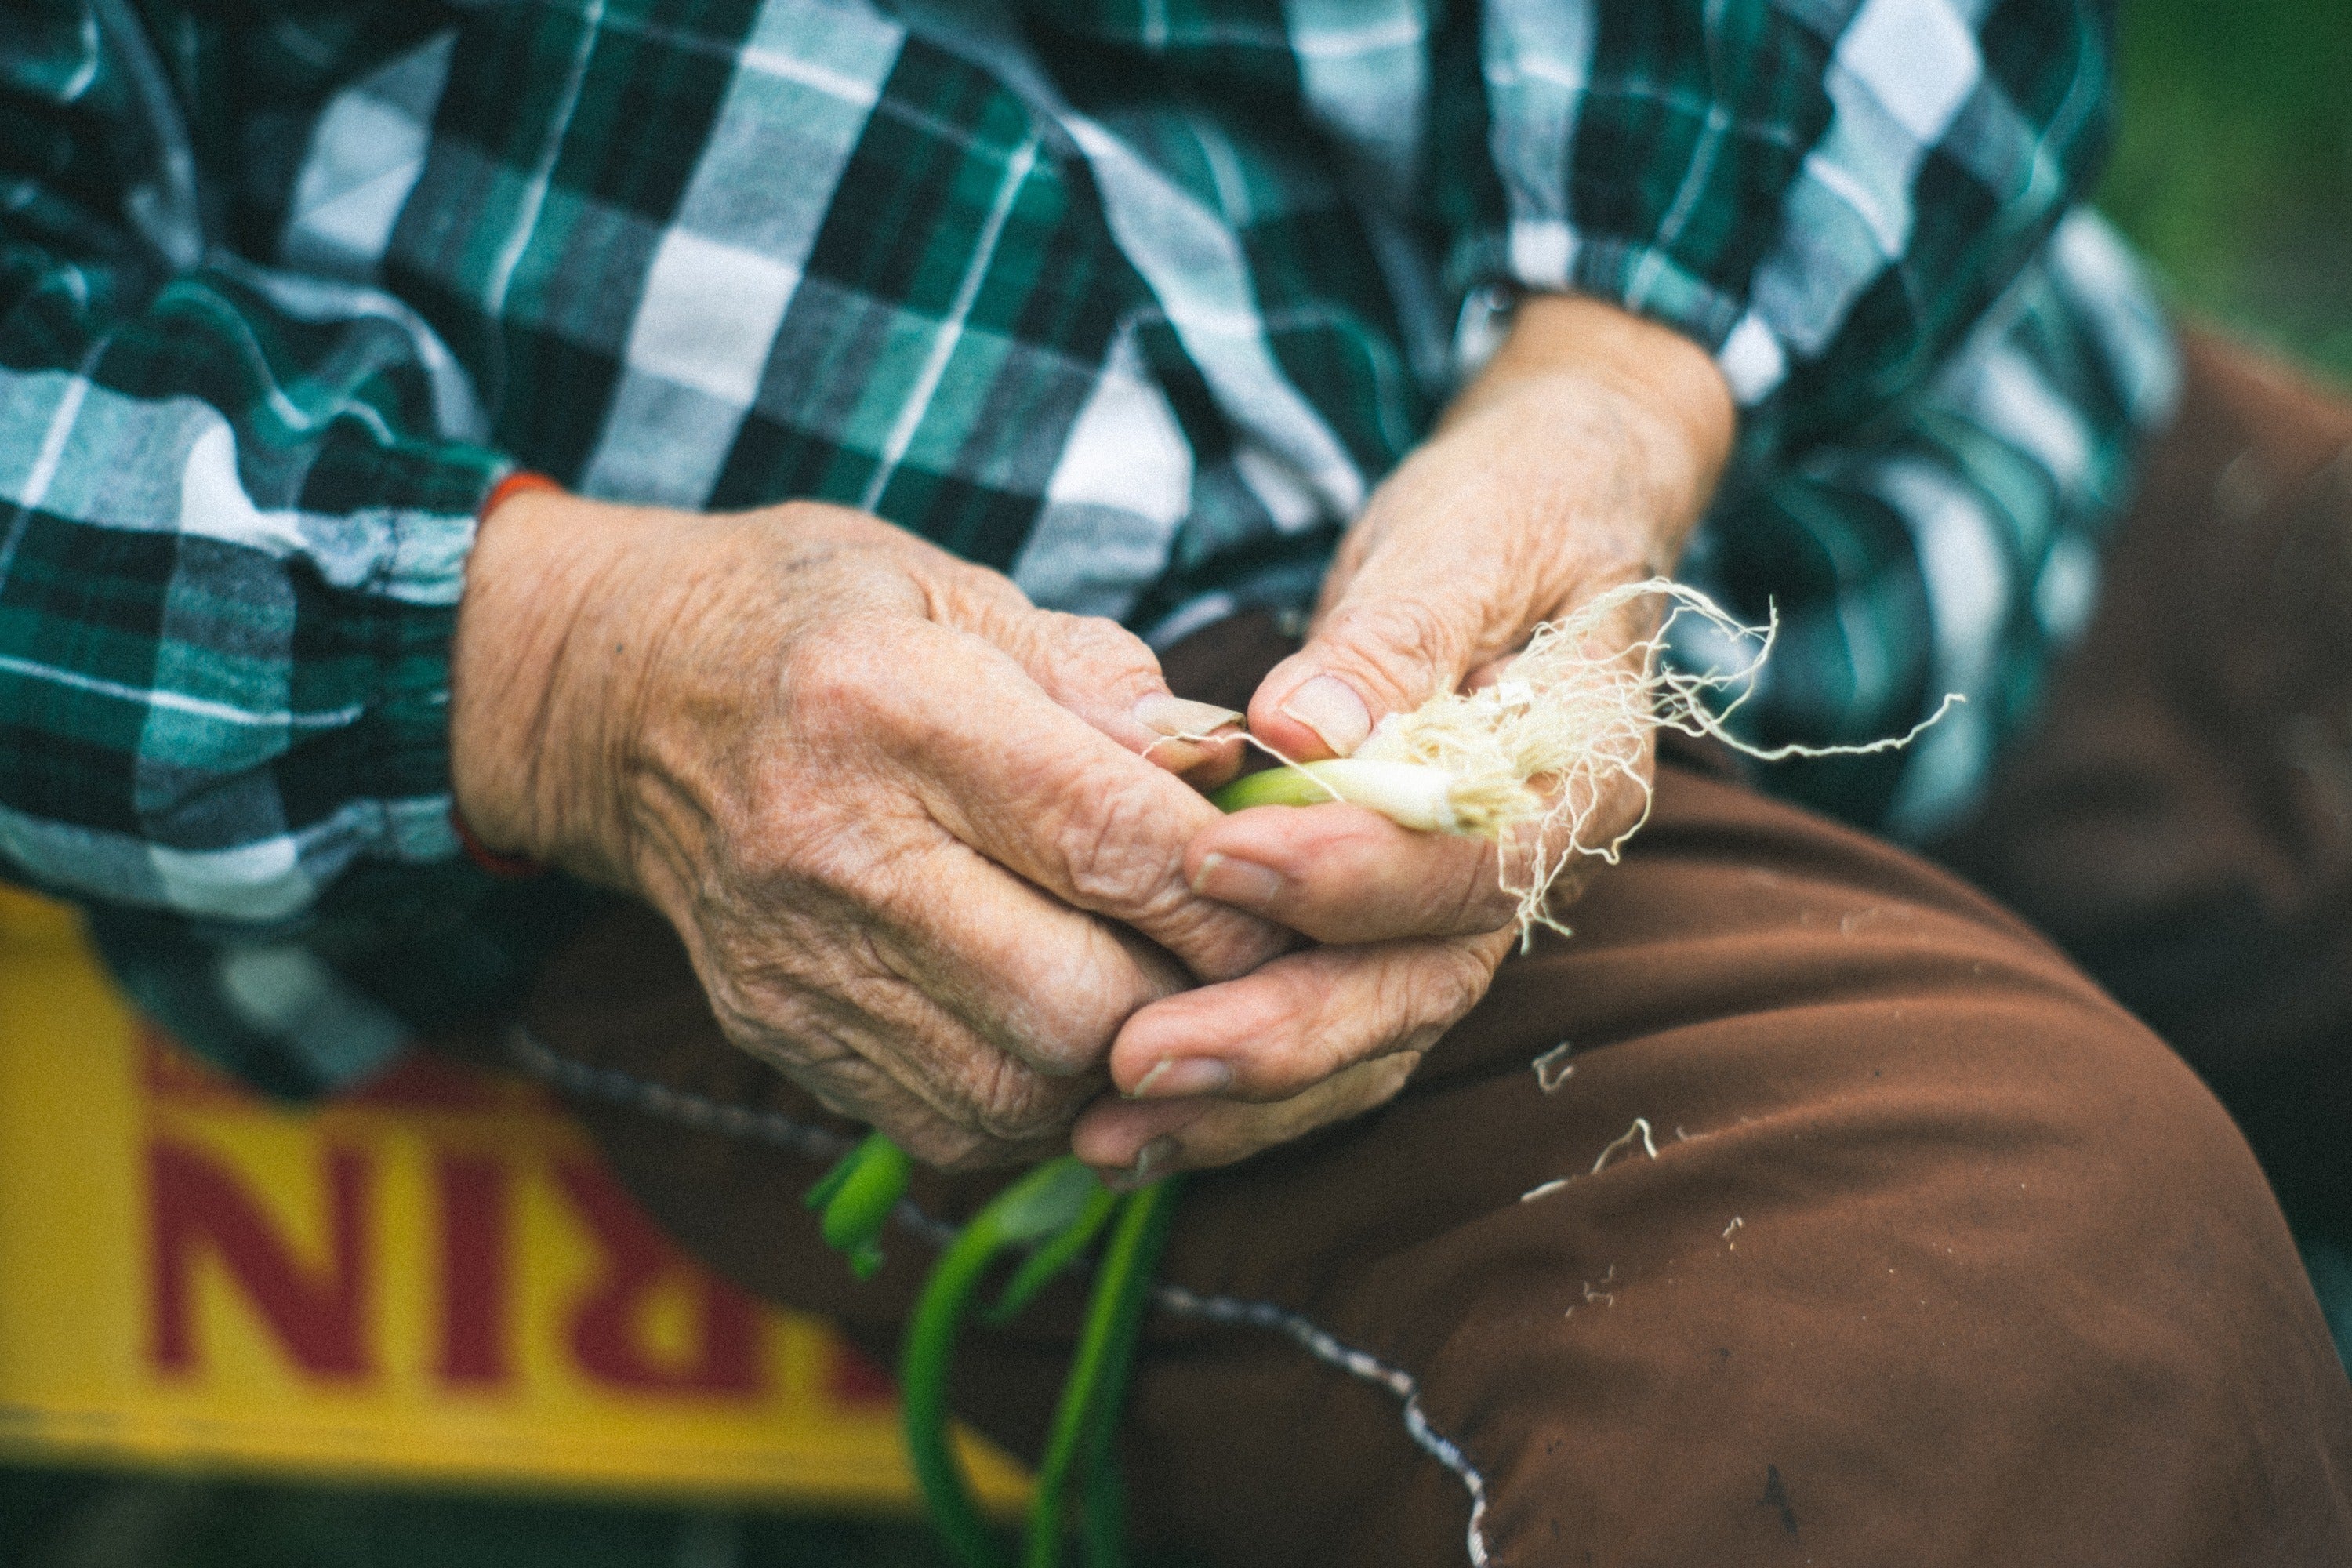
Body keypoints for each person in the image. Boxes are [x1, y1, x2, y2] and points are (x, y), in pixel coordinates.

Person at [5, 0, 2349, 1562]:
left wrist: (1621, 381)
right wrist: (574, 675)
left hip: (1849, 408)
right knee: (1978, 1369)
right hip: (933, 717)